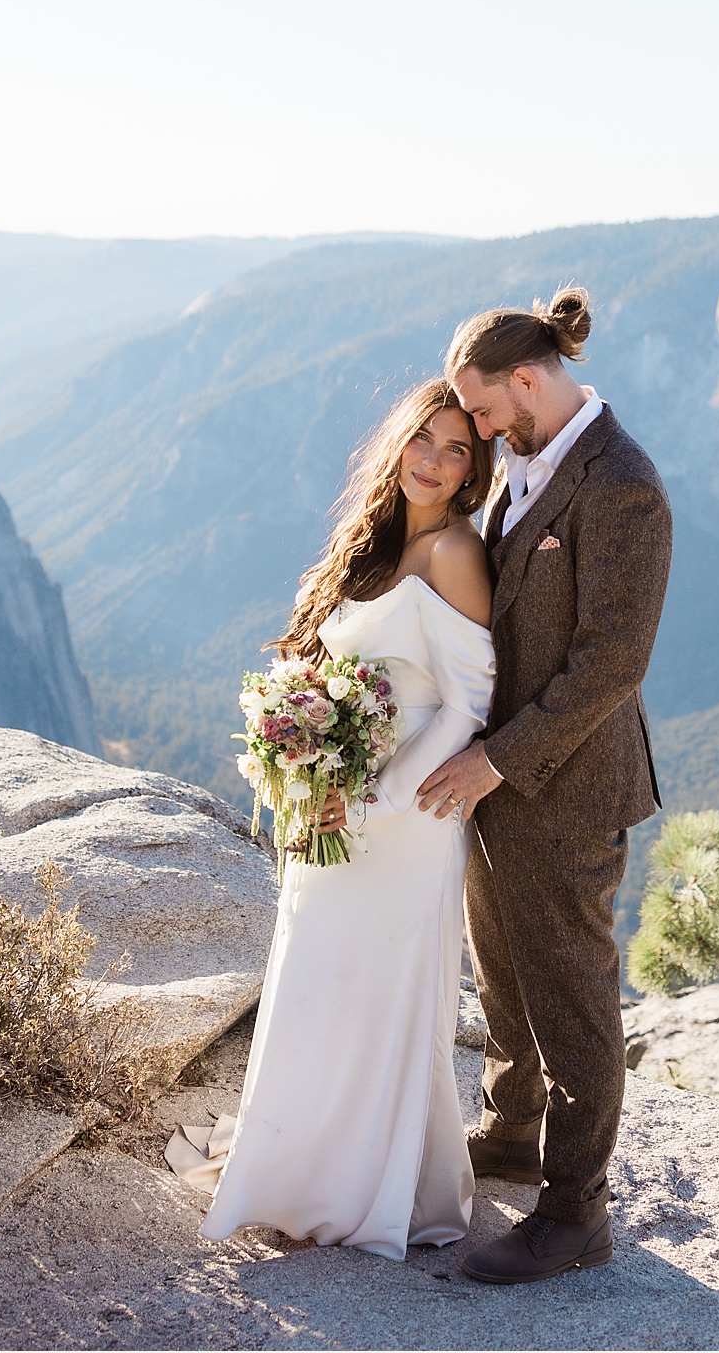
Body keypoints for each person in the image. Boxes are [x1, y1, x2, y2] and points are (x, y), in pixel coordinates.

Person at [170, 379, 499, 1260]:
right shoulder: (384, 541)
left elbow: (471, 702)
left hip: (405, 815)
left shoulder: (456, 552)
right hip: (336, 803)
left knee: (374, 995)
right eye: (422, 440)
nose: (432, 460)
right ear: (398, 443)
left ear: (475, 468)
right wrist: (305, 755)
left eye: (456, 448)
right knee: (314, 982)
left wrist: (386, 795)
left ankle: (366, 1187)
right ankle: (296, 1162)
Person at [414, 284, 672, 1286]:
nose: (473, 432)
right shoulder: (524, 458)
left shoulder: (622, 484)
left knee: (569, 994)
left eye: (480, 410)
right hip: (498, 777)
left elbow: (612, 662)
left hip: (565, 784)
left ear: (527, 380)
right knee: (505, 973)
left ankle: (576, 1210)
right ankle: (511, 1130)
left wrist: (499, 757)